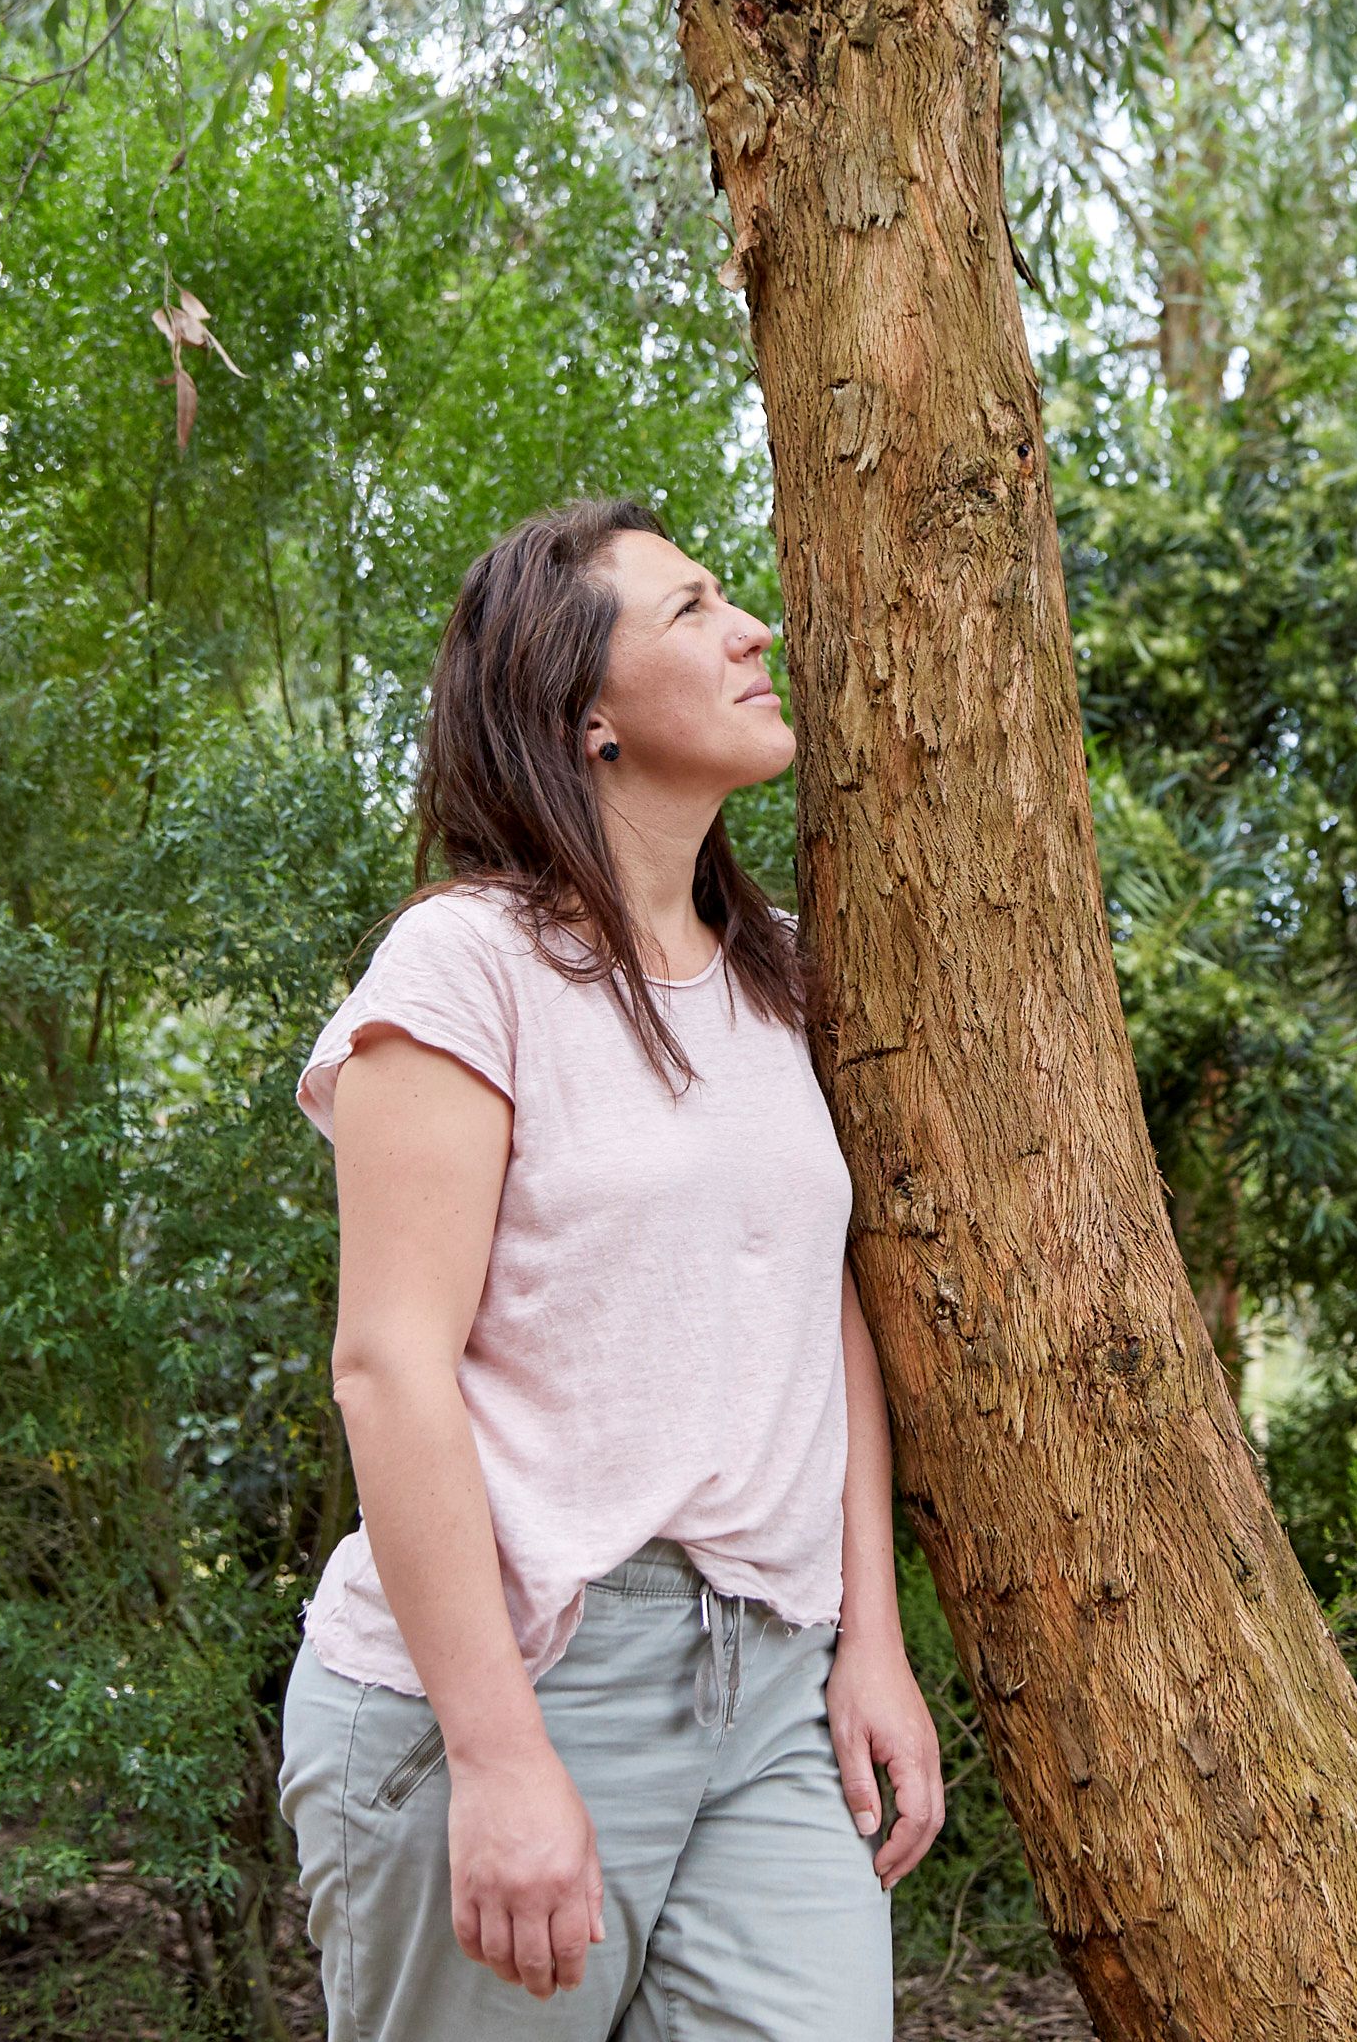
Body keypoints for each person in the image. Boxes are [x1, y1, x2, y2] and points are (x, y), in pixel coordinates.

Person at [277, 498, 943, 2039]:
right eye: (693, 609)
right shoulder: (466, 966)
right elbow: (387, 1368)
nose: (754, 629)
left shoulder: (778, 978)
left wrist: (872, 1642)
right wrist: (499, 1753)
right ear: (588, 716)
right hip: (519, 1672)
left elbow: (820, 1315)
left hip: (773, 1688)